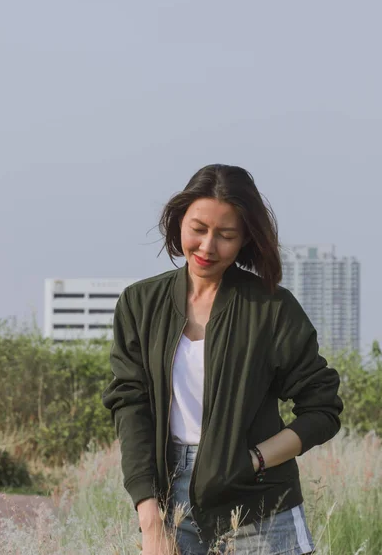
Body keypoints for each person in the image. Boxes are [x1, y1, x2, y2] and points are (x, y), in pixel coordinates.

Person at [102, 164, 343, 555]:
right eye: (198, 229)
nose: (208, 247)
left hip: (261, 509)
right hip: (171, 505)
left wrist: (254, 460)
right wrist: (150, 520)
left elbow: (323, 409)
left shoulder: (271, 307)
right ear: (179, 221)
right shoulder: (140, 303)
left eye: (226, 235)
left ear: (246, 238)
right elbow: (131, 406)